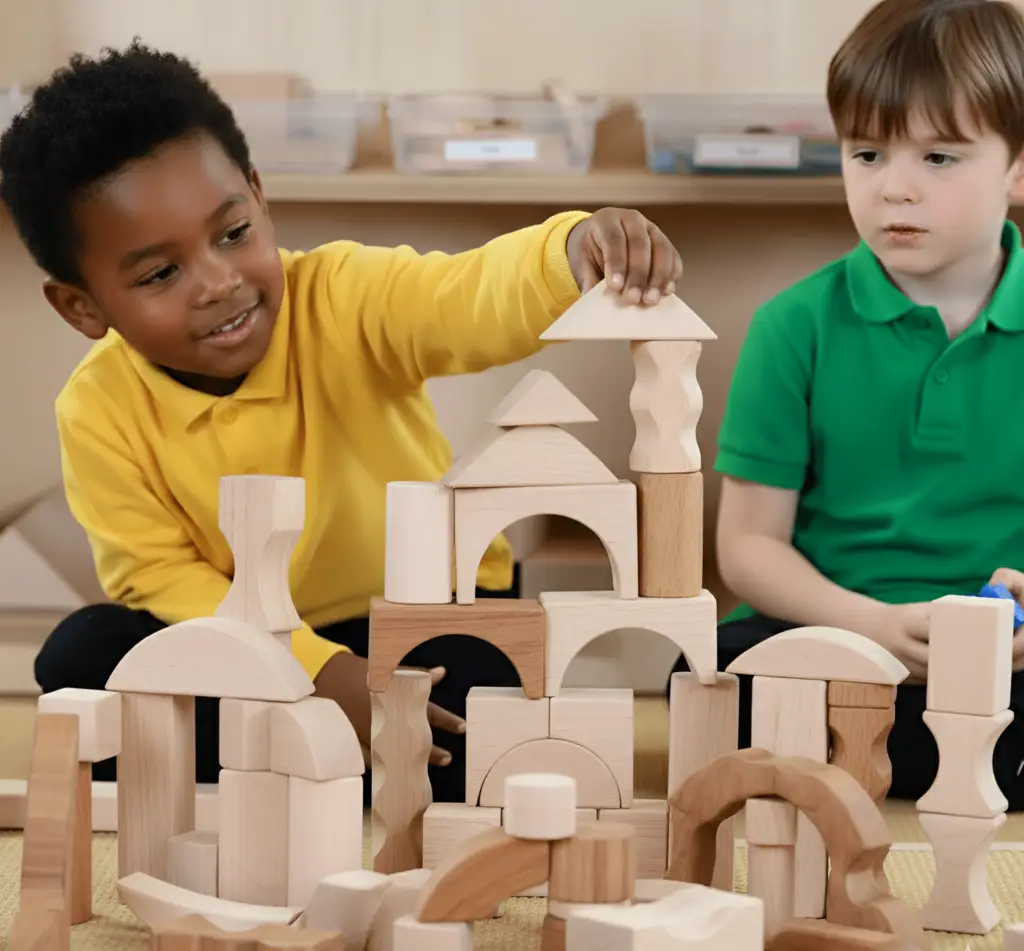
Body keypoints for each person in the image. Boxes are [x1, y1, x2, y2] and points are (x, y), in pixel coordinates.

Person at [0, 41, 684, 803]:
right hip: (252, 640)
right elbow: (161, 577)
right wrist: (316, 672)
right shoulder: (96, 408)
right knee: (84, 655)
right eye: (162, 273)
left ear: (259, 196)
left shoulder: (344, 296)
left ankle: (298, 758)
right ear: (82, 306)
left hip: (423, 610)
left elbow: (465, 297)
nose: (219, 282)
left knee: (477, 692)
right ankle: (323, 751)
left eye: (233, 233)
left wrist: (568, 251)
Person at [670, 0, 1024, 809]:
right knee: (707, 678)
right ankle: (932, 763)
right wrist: (872, 625)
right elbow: (749, 547)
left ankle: (875, 763)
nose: (894, 187)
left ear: (1017, 169)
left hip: (1004, 656)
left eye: (939, 157)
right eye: (867, 153)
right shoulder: (793, 324)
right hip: (832, 634)